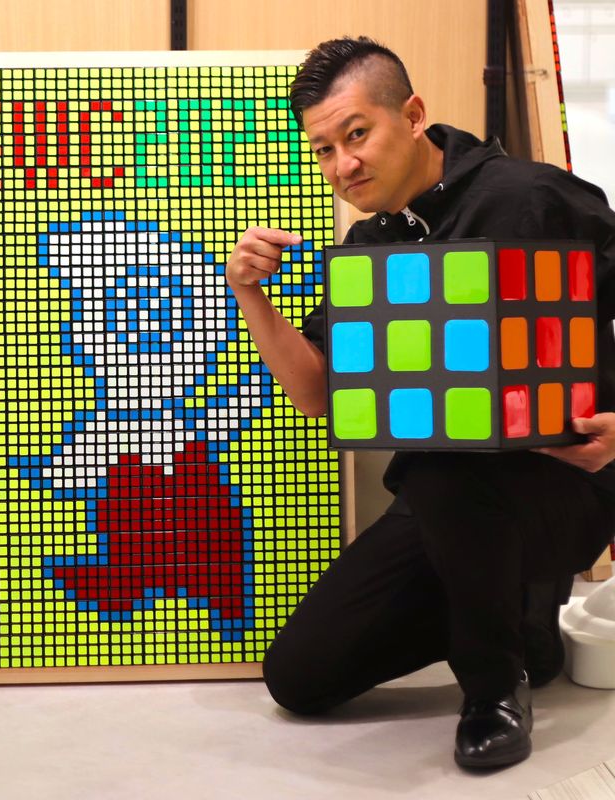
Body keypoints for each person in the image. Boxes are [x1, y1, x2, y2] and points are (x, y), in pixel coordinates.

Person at [225, 37, 615, 769]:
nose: (343, 165)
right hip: (444, 503)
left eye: (357, 134)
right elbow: (317, 394)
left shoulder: (530, 196)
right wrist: (249, 293)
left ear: (412, 115)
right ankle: (521, 623)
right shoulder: (371, 245)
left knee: (440, 462)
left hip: (565, 484)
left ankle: (494, 689)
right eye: (324, 149)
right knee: (300, 676)